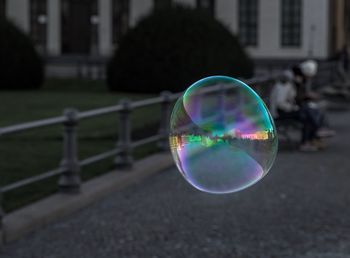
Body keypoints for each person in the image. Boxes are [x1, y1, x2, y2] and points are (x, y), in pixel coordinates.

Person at [271, 70, 320, 151]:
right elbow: (280, 104)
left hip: (283, 111)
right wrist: (293, 108)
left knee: (307, 113)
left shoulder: (283, 86)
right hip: (280, 114)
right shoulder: (283, 87)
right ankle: (308, 140)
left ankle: (310, 138)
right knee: (306, 115)